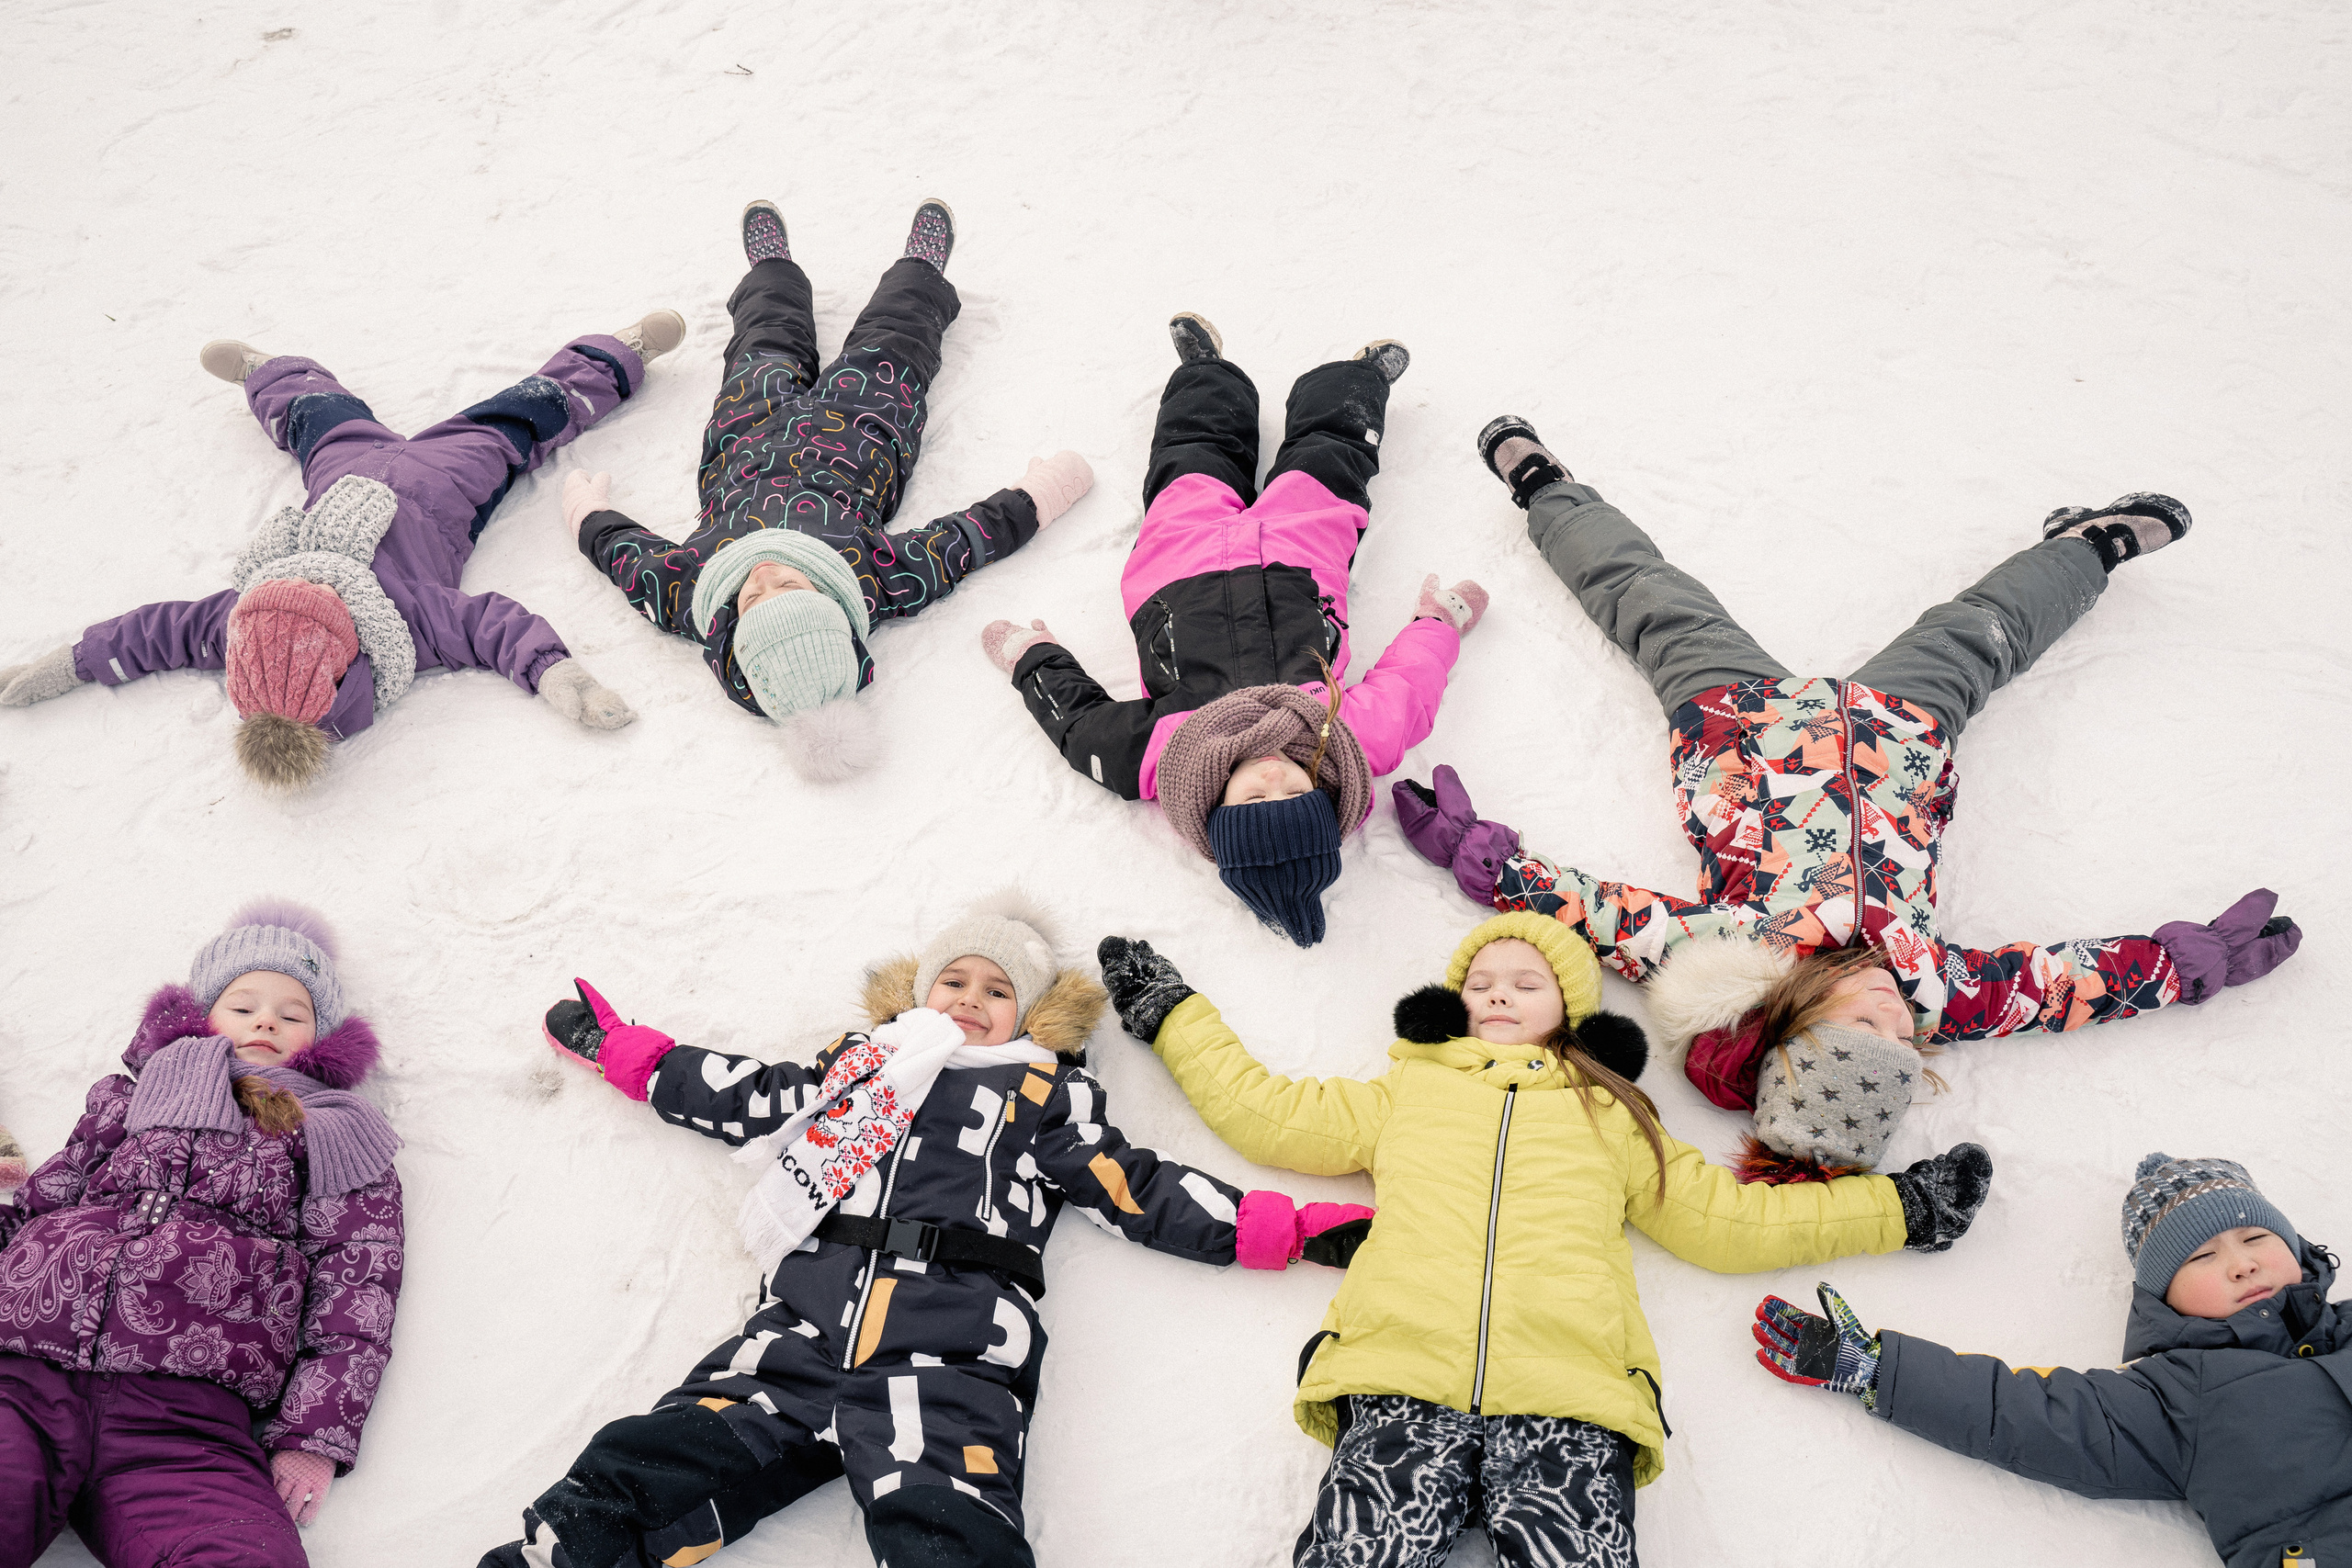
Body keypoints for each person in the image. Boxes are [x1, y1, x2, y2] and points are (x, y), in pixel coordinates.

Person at [1396, 420, 2301, 1178]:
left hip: (1736, 724)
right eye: (1900, 1037)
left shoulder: (1727, 961)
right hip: (1901, 735)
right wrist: (2188, 966)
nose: (1891, 1010)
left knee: (1649, 599)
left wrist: (1479, 853)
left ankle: (1547, 488)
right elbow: (2064, 986)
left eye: (1861, 1021)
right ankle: (2086, 543)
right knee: (1983, 632)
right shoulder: (1939, 992)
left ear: (1795, 1018)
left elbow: (1591, 914)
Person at [485, 898, 1369, 1568]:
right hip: (799, 1332)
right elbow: (749, 1096)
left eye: (997, 991)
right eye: (955, 981)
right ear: (919, 990)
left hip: (949, 1358)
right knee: (654, 1456)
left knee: (949, 1531)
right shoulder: (863, 1066)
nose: (972, 1000)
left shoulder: (1038, 1094)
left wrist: (1283, 1227)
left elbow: (1135, 1186)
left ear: (1029, 1017)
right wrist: (627, 1052)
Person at [1093, 913, 1993, 1566]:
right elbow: (1267, 1114)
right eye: (1481, 982)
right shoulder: (1405, 1092)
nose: (1497, 994)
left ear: (1565, 1007)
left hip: (1571, 1397)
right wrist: (1172, 1013)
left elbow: (1730, 1223)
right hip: (1400, 1378)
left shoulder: (1611, 1114)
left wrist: (1901, 1210)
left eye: (1524, 983)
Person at [981, 313, 1487, 946]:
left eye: (1253, 802)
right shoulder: (1346, 739)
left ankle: (1205, 371)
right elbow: (1410, 686)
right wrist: (1438, 622)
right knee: (1328, 460)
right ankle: (1356, 381)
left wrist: (1031, 658)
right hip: (1301, 556)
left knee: (1190, 455)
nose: (1273, 780)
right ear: (1323, 797)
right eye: (1293, 796)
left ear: (1218, 811)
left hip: (1178, 562)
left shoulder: (1165, 757)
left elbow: (1079, 724)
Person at [0, 318, 671, 787]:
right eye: (324, 605)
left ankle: (264, 372)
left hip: (342, 465)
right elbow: (493, 626)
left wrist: (69, 663)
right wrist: (561, 677)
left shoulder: (232, 623)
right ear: (350, 646)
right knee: (520, 417)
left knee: (313, 414)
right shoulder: (405, 619)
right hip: (446, 480)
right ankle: (618, 354)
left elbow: (150, 633)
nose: (317, 585)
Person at [563, 198, 1092, 779]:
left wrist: (588, 512)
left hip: (746, 435)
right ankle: (921, 270)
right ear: (833, 603)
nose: (763, 577)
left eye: (753, 600)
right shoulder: (875, 578)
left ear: (733, 627)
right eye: (790, 584)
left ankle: (772, 271)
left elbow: (627, 559)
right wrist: (1042, 491)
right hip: (863, 426)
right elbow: (964, 541)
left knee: (764, 343)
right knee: (896, 341)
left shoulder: (694, 596)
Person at [0, 902, 403, 1566]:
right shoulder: (129, 1098)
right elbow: (43, 1202)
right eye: (243, 1005)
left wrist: (312, 1436)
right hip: (27, 1378)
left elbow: (356, 1293)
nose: (266, 1020)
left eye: (291, 1012)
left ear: (319, 1039)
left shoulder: (338, 1136)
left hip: (185, 1424)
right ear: (201, 1015)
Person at [1756, 1152, 2345, 1566]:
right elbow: (2029, 1415)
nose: (2240, 1263)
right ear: (2165, 1299)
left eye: (2256, 1239)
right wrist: (1882, 1369)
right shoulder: (2178, 1395)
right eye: (2203, 1258)